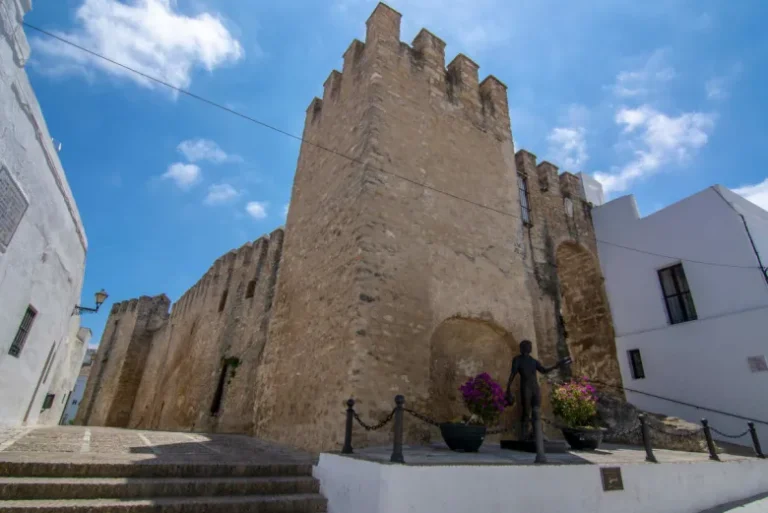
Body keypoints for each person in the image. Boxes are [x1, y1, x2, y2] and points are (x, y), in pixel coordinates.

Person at [506, 339, 571, 440]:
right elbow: (513, 374)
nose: (530, 348)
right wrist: (508, 388)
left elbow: (543, 370)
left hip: (535, 387)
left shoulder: (533, 361)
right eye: (528, 346)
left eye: (530, 346)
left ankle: (536, 432)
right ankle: (524, 434)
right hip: (526, 387)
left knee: (536, 409)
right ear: (523, 348)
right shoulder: (518, 359)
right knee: (526, 411)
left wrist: (556, 366)